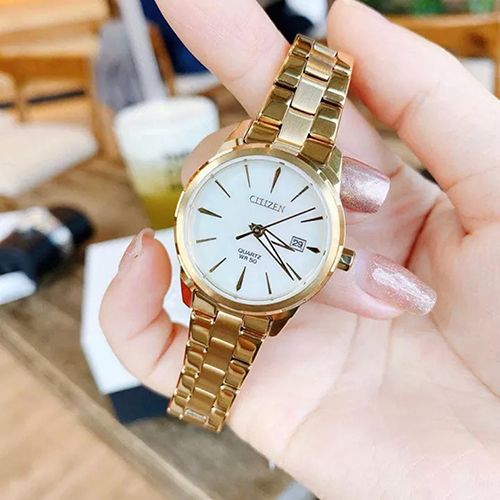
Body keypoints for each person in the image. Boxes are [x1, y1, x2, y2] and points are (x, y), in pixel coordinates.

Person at [100, 0, 500, 497]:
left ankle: (205, 400)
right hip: (223, 273)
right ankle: (202, 401)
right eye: (257, 227)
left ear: (334, 256)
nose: (259, 232)